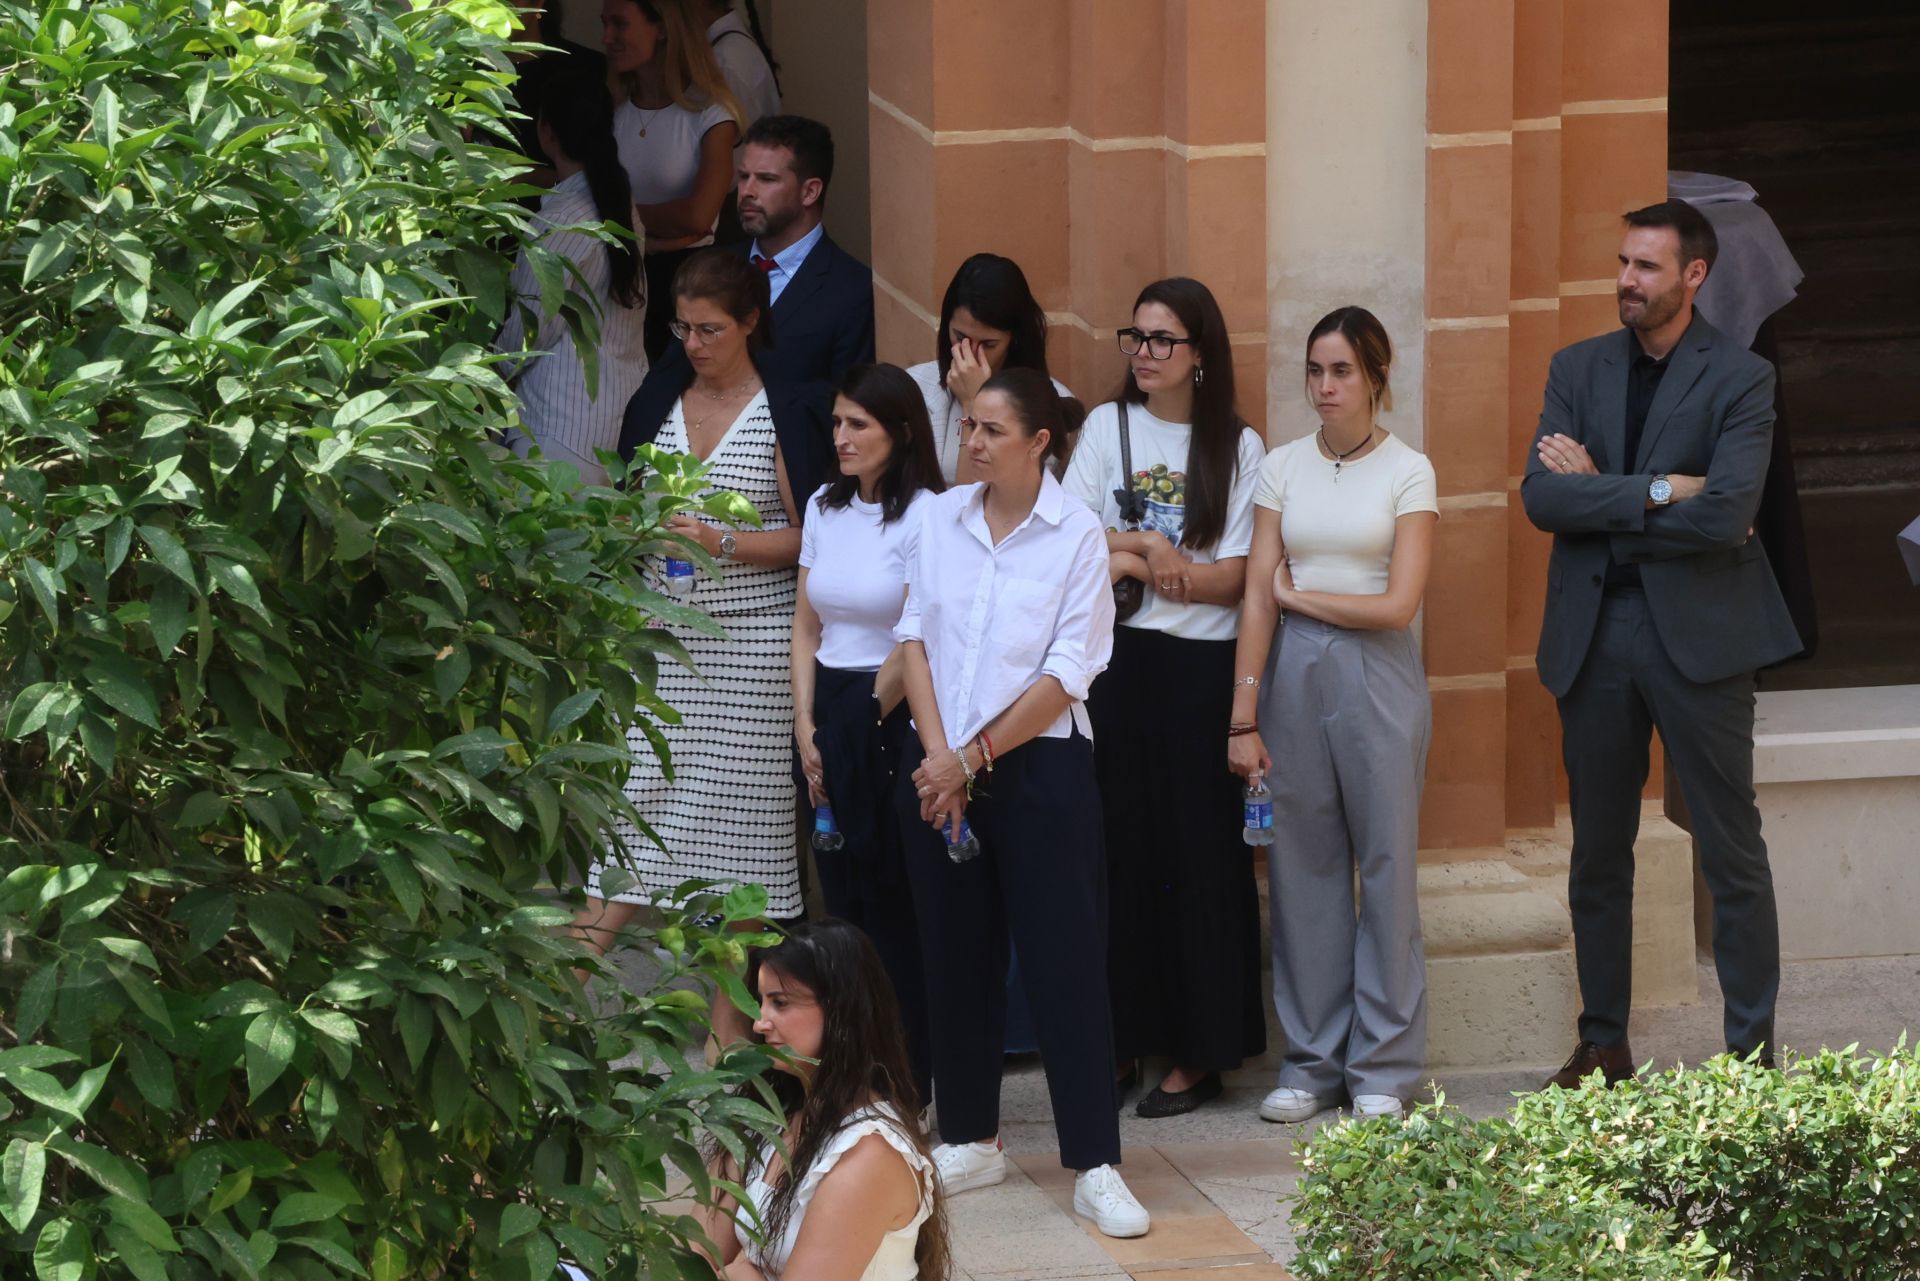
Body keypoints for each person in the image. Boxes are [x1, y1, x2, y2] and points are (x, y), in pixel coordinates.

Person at [1522, 199, 1798, 1089]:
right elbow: (1543, 499)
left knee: (1730, 849)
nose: (1627, 281)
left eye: (1646, 266)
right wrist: (1655, 490)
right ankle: (1603, 1045)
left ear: (1694, 275)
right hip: (1595, 632)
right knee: (1598, 852)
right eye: (1623, 262)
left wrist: (1603, 495)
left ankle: (1750, 1062)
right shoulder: (1577, 367)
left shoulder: (1743, 377)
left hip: (1704, 637)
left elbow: (1727, 515)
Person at [893, 368, 1149, 1240]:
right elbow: (913, 637)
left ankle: (1096, 1162)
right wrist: (939, 758)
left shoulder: (1076, 535)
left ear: (1040, 442)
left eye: (991, 430)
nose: (972, 442)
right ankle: (970, 1134)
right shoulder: (938, 518)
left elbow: (1069, 671)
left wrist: (969, 758)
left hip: (1038, 767)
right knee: (954, 952)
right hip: (940, 764)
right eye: (969, 425)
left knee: (1064, 960)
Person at [575, 251, 830, 1028]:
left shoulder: (783, 407)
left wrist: (720, 541)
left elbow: (814, 539)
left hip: (753, 652)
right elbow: (622, 503)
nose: (693, 343)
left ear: (751, 322)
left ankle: (728, 1050)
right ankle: (552, 1011)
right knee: (630, 821)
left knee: (748, 853)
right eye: (682, 327)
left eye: (710, 329)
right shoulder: (661, 396)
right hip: (664, 643)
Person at [1061, 278, 1268, 1117]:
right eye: (1136, 337)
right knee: (1117, 854)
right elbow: (1071, 537)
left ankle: (1197, 1051)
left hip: (1200, 673)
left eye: (1162, 340)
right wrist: (1151, 546)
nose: (1144, 354)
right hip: (1118, 663)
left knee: (1199, 858)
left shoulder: (1238, 447)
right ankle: (1119, 1040)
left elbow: (1237, 578)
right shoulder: (1105, 428)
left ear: (1200, 353)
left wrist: (1149, 566)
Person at [1228, 306, 1438, 1124]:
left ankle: (1383, 1066)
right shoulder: (1282, 466)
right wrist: (1243, 714)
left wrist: (1300, 597)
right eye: (1315, 370)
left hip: (1379, 672)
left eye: (1342, 370)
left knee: (1386, 862)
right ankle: (1312, 1061)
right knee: (1301, 867)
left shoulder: (1409, 470)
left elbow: (1397, 604)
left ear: (1377, 376)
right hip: (1291, 673)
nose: (1325, 385)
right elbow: (1257, 594)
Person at [791, 363, 946, 1108]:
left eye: (860, 424)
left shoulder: (927, 515)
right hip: (828, 699)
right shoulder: (824, 506)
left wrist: (854, 723)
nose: (842, 437)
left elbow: (917, 630)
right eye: (837, 422)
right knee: (842, 897)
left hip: (891, 705)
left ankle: (908, 1078)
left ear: (901, 432)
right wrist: (804, 722)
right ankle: (850, 1076)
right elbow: (806, 624)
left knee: (894, 903)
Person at [695, 919, 951, 1281]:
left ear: (839, 1011)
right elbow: (691, 1259)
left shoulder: (870, 1153)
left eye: (780, 1003)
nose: (759, 1024)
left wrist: (740, 1272)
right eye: (760, 1002)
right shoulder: (767, 1115)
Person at [647, 116, 876, 412]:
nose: (747, 191)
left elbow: (850, 411)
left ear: (810, 191)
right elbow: (666, 378)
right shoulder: (710, 266)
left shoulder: (853, 291)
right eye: (744, 177)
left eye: (767, 179)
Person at [495, 77, 648, 486]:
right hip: (616, 421)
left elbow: (531, 330)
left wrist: (486, 376)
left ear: (547, 132)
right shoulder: (621, 206)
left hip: (558, 426)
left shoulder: (562, 218)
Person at [601, 0, 744, 359]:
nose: (606, 37)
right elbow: (585, 203)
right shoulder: (609, 112)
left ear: (663, 28)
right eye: (605, 24)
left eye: (619, 24)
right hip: (616, 281)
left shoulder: (711, 114)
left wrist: (619, 216)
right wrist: (650, 233)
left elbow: (698, 215)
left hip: (686, 288)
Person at [906, 254, 1069, 484]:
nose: (971, 354)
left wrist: (973, 403)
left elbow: (977, 498)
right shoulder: (915, 385)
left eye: (988, 344)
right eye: (960, 337)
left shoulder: (1049, 405)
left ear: (1014, 340)